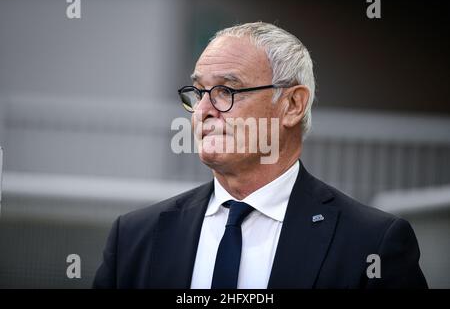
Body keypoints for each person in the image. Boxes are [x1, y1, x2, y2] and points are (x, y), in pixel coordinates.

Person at [93, 22, 427, 289]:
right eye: (198, 93)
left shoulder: (372, 243)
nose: (204, 110)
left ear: (292, 105)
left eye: (226, 90)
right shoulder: (135, 236)